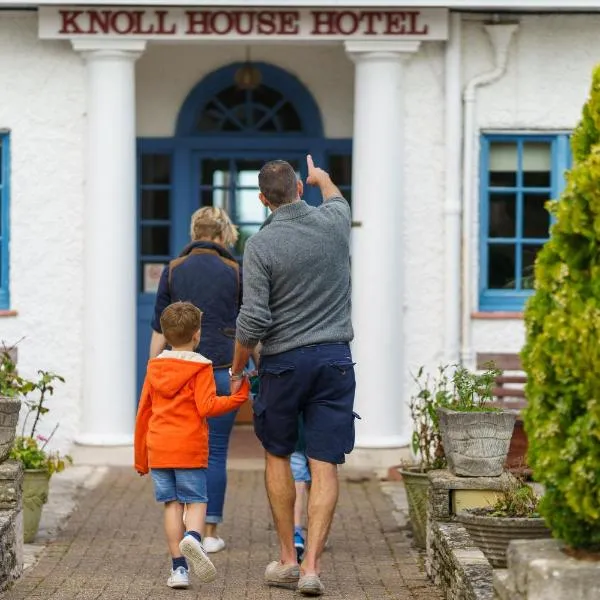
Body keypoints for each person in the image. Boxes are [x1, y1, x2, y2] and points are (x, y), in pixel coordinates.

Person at [230, 156, 356, 596]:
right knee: (324, 463)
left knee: (279, 454)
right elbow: (338, 199)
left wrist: (236, 366)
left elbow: (253, 319)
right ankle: (312, 568)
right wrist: (323, 177)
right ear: (300, 188)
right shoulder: (335, 222)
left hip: (283, 363)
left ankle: (287, 557)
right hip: (334, 359)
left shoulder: (261, 245)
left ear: (263, 200)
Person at [135, 301, 249, 590]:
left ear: (164, 333)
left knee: (172, 504)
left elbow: (143, 412)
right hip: (188, 447)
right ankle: (194, 538)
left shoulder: (154, 367)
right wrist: (238, 397)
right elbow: (207, 406)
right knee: (197, 499)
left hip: (159, 446)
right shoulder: (202, 368)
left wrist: (140, 457)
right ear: (197, 334)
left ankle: (179, 571)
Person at [150, 207, 242, 553]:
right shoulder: (234, 271)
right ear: (221, 236)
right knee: (215, 452)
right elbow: (248, 325)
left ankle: (186, 529)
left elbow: (161, 326)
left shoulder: (173, 270)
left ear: (194, 232)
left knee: (179, 450)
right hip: (218, 369)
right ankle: (210, 531)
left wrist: (153, 368)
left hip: (177, 369)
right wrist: (251, 365)